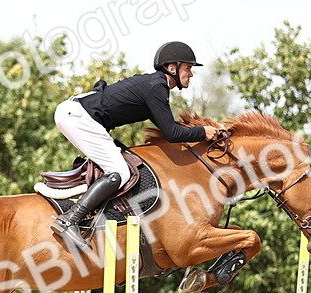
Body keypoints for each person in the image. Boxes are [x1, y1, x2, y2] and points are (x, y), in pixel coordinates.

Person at [50, 41, 227, 247]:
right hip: (79, 117)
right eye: (188, 68)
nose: (191, 73)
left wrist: (201, 132)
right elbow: (172, 133)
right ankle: (69, 219)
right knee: (120, 172)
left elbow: (169, 127)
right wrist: (203, 132)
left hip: (77, 115)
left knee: (118, 165)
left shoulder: (154, 85)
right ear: (172, 68)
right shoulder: (156, 86)